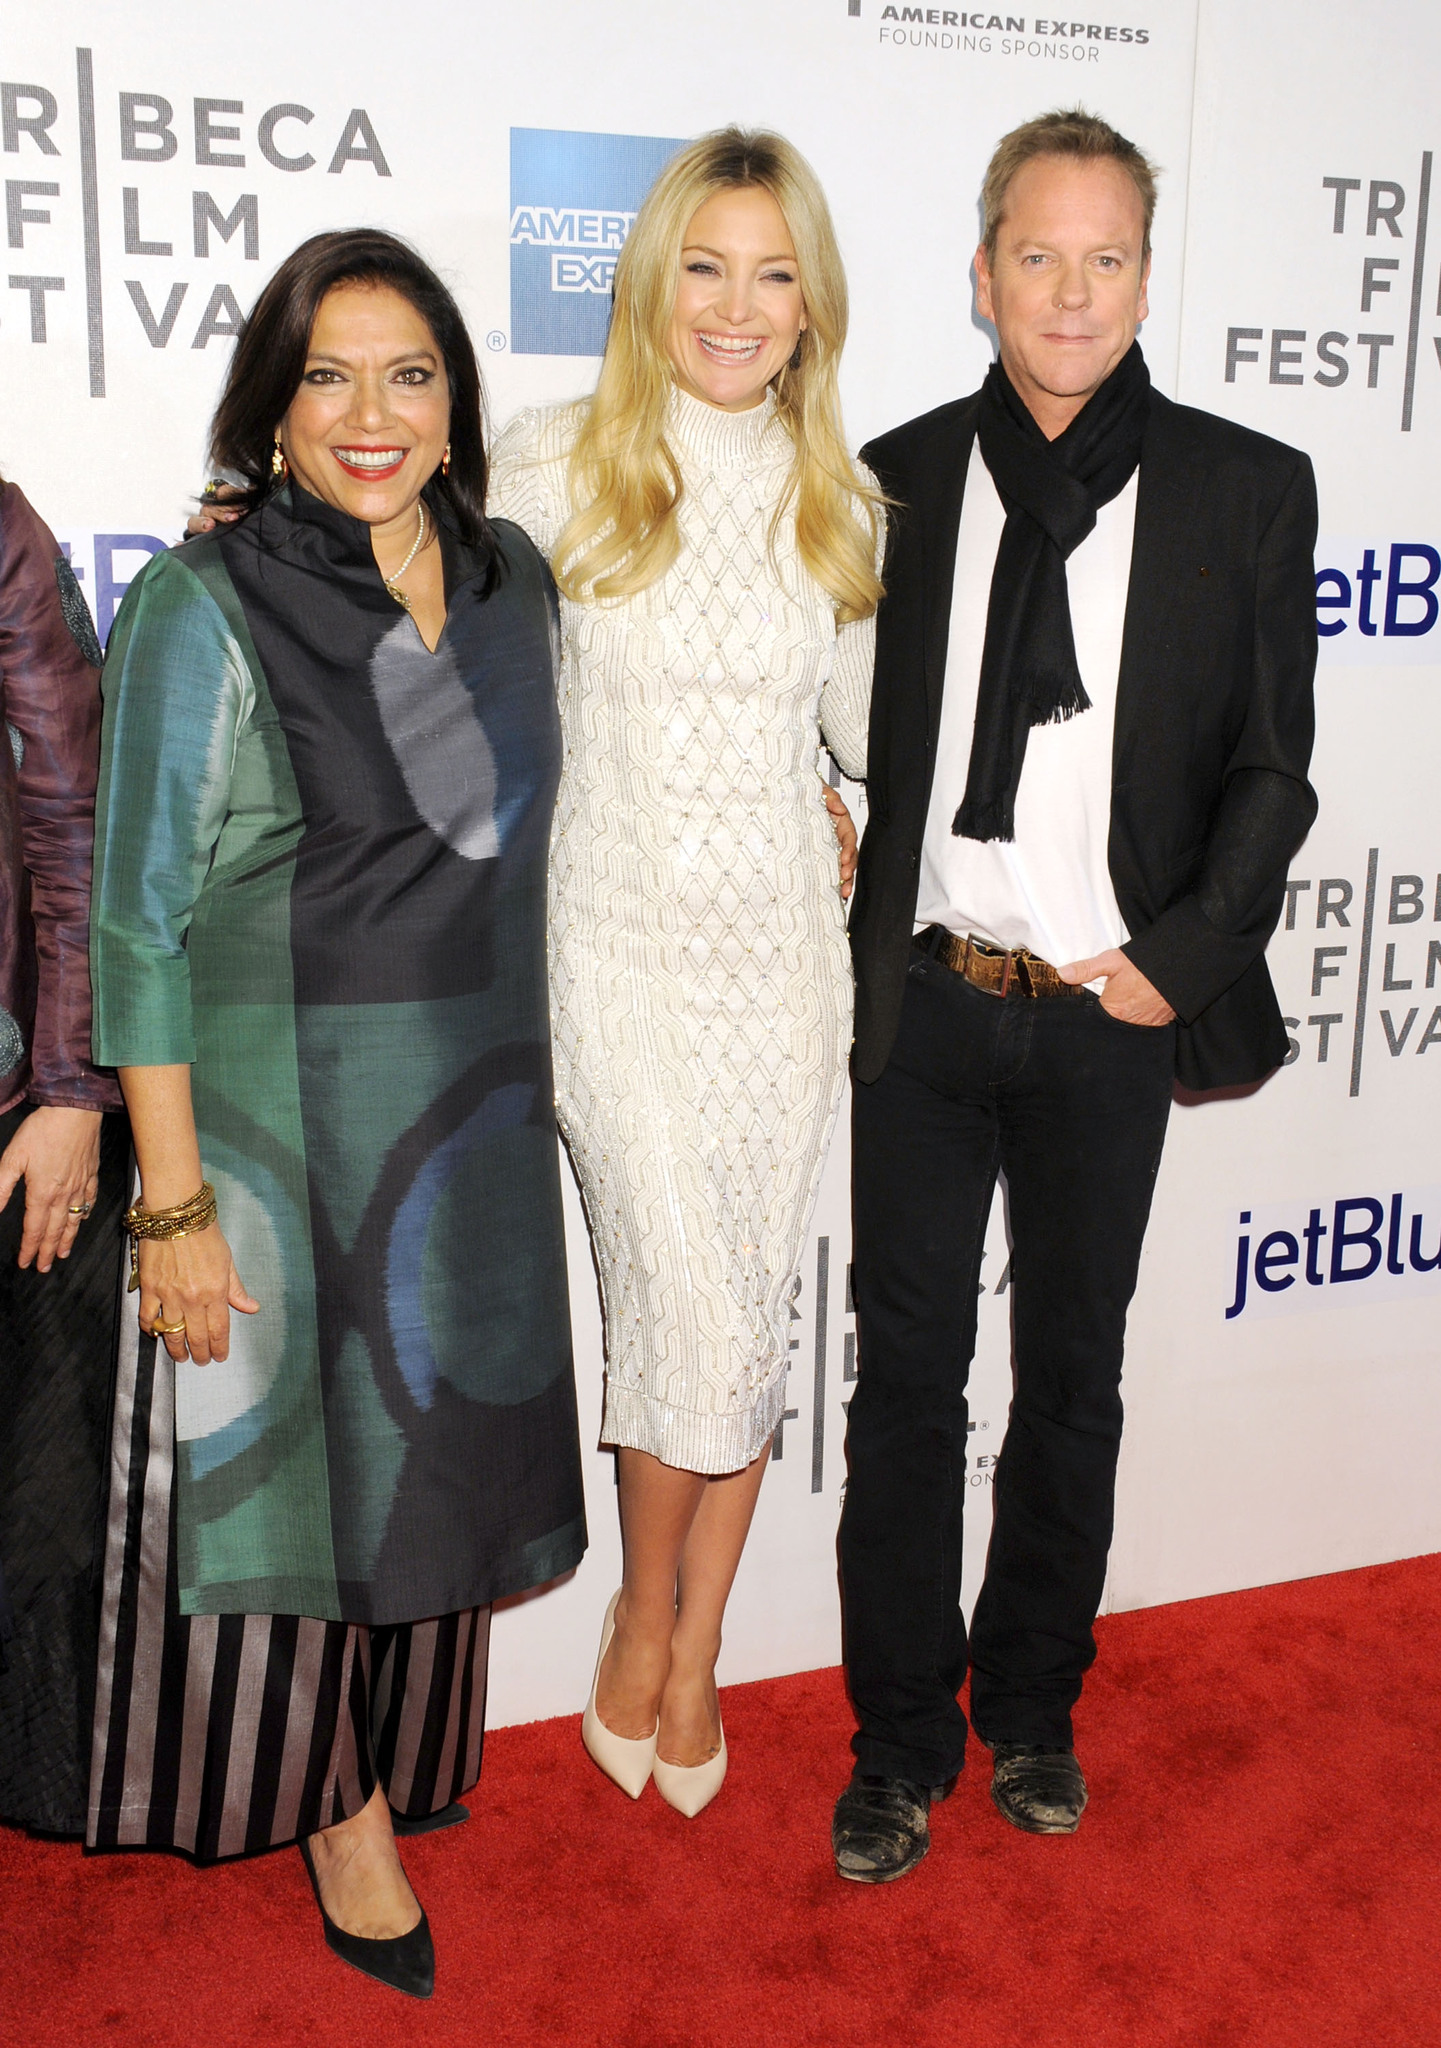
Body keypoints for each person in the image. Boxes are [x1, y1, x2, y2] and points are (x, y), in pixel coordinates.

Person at [87, 228, 585, 1996]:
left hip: (469, 1107)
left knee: (433, 1454)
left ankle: (398, 1759)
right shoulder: (202, 603)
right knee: (299, 1494)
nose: (370, 414)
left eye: (411, 373)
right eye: (327, 375)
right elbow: (134, 917)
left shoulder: (517, 578)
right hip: (277, 1118)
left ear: (457, 400)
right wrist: (172, 1205)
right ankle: (334, 1813)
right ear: (273, 409)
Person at [832, 108, 1318, 1883]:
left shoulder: (1245, 488)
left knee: (1073, 1379)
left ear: (1141, 273)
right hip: (931, 1008)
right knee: (905, 1390)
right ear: (979, 275)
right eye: (1036, 254)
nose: (1070, 290)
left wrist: (1174, 967)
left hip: (1106, 1012)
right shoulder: (885, 479)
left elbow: (1275, 773)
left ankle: (1028, 1705)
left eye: (1105, 255)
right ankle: (894, 1744)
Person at [487, 127, 879, 1815]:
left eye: (772, 272)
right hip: (615, 956)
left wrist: (850, 805)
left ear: (811, 306)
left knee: (741, 1314)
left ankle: (691, 1639)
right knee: (690, 1308)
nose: (736, 305)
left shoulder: (842, 501)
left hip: (785, 968)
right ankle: (648, 1610)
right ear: (652, 285)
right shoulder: (552, 461)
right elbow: (455, 688)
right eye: (705, 267)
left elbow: (868, 738)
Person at [0, 479, 127, 1837]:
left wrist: (73, 1090)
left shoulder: (0, 529)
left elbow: (70, 810)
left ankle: (38, 1773)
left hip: (16, 1099)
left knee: (43, 1467)